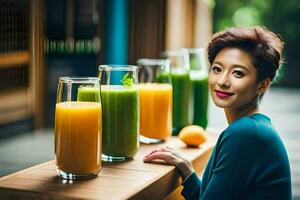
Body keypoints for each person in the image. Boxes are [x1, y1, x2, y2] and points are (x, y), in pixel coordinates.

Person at [143, 26, 292, 200]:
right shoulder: (253, 128)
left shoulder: (245, 133)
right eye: (217, 69)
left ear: (262, 85)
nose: (222, 81)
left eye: (238, 73)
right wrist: (188, 170)